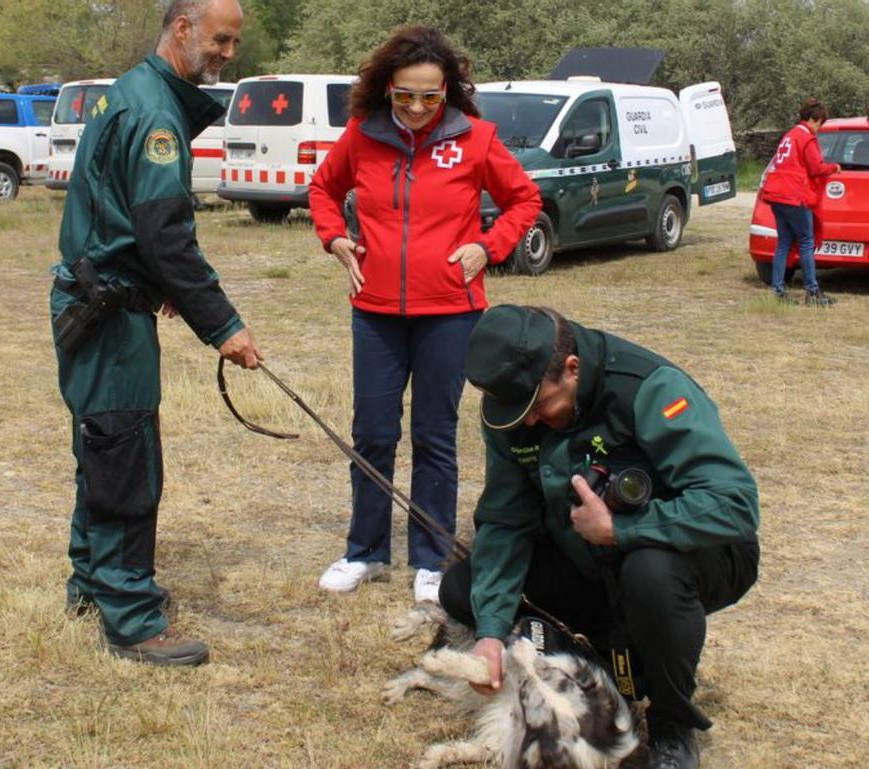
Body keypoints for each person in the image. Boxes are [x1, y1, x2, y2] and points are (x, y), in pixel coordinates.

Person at [441, 305, 760, 769]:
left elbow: (735, 505)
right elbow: (506, 521)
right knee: (462, 588)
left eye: (538, 407)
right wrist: (489, 632)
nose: (528, 422)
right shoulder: (514, 414)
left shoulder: (649, 389)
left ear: (572, 369)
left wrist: (623, 528)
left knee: (650, 571)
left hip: (689, 556)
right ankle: (597, 659)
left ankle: (672, 725)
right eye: (518, 411)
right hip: (586, 558)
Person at [49, 0, 262, 667]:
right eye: (220, 40)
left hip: (100, 300)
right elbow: (165, 233)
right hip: (108, 315)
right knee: (124, 460)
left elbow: (126, 218)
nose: (228, 53)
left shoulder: (135, 91)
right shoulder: (153, 115)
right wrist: (223, 324)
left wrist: (160, 286)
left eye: (234, 42)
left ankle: (91, 582)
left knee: (102, 445)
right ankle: (132, 617)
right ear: (181, 30)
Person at [308, 27, 541, 603]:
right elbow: (321, 188)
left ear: (448, 93)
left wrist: (489, 246)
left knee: (435, 435)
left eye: (429, 97)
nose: (415, 108)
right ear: (386, 89)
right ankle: (364, 550)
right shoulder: (362, 136)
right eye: (404, 95)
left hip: (451, 314)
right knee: (373, 434)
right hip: (377, 313)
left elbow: (525, 200)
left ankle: (432, 556)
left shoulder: (477, 139)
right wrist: (334, 238)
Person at [760, 97, 841, 306]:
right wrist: (834, 167)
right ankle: (812, 292)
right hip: (794, 195)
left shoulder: (790, 135)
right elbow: (816, 168)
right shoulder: (806, 138)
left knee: (784, 242)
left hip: (776, 194)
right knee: (806, 241)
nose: (819, 129)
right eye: (820, 123)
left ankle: (778, 291)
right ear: (814, 119)